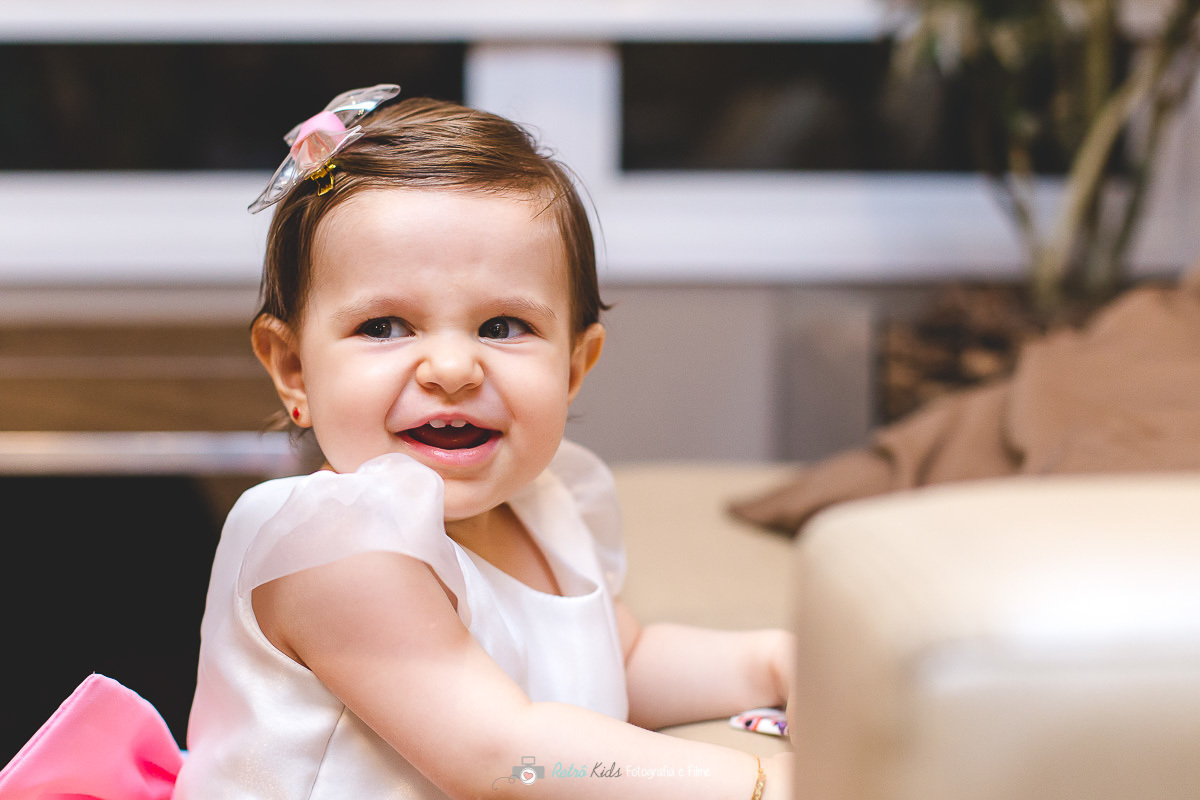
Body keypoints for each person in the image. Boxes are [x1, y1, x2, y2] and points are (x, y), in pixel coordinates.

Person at [173, 84, 795, 799]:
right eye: (384, 327)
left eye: (502, 327)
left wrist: (775, 663)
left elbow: (621, 662)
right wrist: (755, 782)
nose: (451, 369)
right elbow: (502, 755)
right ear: (294, 371)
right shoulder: (335, 549)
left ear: (573, 368)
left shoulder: (545, 507)